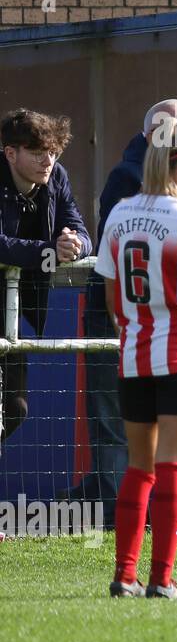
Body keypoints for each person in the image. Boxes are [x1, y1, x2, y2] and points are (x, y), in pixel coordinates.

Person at [73, 98, 177, 513]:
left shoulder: (131, 208)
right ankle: (149, 561)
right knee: (159, 463)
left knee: (142, 467)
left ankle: (127, 568)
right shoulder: (132, 186)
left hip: (135, 341)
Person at [96, 119, 177, 600]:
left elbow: (111, 294)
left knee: (139, 469)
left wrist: (130, 330)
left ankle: (123, 576)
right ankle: (161, 580)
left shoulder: (120, 213)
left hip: (135, 358)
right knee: (173, 470)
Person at [0, 108, 92, 443]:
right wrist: (49, 251)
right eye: (38, 153)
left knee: (14, 409)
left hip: (13, 309)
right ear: (11, 153)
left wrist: (74, 245)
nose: (48, 161)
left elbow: (83, 232)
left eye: (53, 153)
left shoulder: (57, 177)